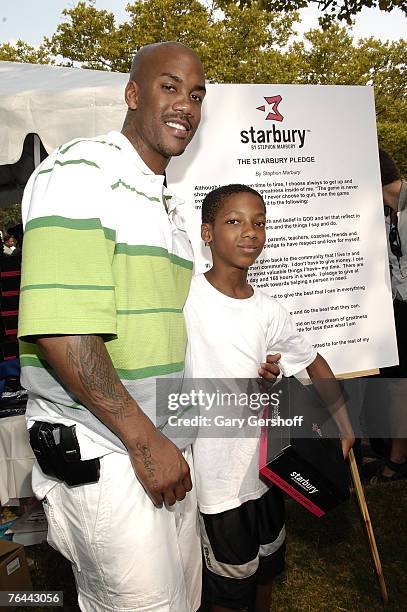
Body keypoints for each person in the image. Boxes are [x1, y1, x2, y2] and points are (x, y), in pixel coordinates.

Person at [18, 42, 206, 612]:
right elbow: (63, 328)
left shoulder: (166, 199)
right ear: (131, 94)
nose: (187, 106)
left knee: (184, 603)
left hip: (161, 447)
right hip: (112, 451)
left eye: (196, 95)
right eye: (169, 87)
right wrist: (145, 440)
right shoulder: (81, 171)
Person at [184, 184, 355, 612]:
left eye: (258, 222)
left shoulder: (269, 309)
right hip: (217, 481)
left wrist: (345, 424)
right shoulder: (184, 300)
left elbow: (313, 362)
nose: (250, 232)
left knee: (266, 567)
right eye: (234, 221)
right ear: (206, 232)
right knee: (227, 585)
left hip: (267, 471)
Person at [369, 149, 407, 482]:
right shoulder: (380, 213)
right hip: (395, 309)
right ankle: (392, 450)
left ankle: (397, 459)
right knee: (392, 382)